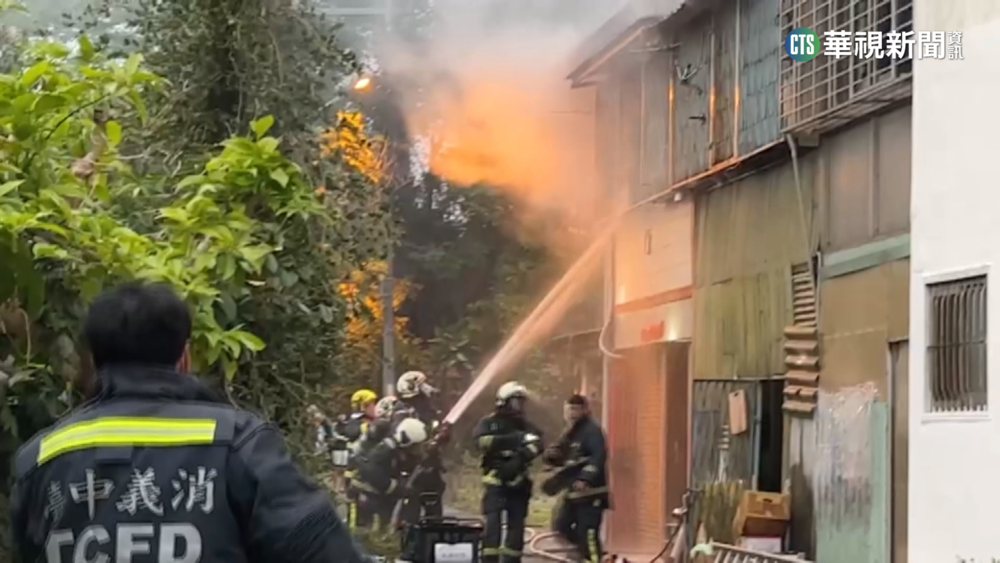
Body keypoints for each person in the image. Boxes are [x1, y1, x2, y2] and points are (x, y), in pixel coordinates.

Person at [8, 282, 368, 563]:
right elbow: (324, 551)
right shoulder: (237, 444)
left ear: (94, 360)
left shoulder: (39, 459)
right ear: (184, 356)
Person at [473, 382, 544, 563]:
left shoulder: (526, 425)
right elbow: (481, 442)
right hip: (495, 481)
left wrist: (519, 458)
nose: (519, 406)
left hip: (518, 482)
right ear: (503, 402)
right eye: (515, 401)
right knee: (493, 525)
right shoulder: (488, 423)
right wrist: (515, 439)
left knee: (516, 527)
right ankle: (489, 560)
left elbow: (538, 444)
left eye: (521, 402)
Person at [544, 394, 609, 563]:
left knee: (588, 534)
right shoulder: (571, 432)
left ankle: (594, 559)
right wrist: (551, 457)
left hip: (591, 493)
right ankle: (582, 553)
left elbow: (598, 457)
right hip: (572, 494)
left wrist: (585, 478)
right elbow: (561, 455)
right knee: (560, 527)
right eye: (567, 409)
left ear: (584, 410)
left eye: (574, 409)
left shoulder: (592, 430)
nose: (570, 413)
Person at [392, 370, 449, 524]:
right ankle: (409, 544)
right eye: (422, 384)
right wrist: (425, 446)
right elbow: (402, 437)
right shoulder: (401, 410)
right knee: (410, 516)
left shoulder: (429, 409)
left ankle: (434, 543)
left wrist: (444, 433)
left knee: (435, 516)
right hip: (411, 470)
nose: (427, 387)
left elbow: (440, 431)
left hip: (431, 469)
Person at [352, 417, 430, 529]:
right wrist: (397, 488)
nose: (418, 450)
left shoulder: (395, 449)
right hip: (370, 499)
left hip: (378, 498)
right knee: (372, 535)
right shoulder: (385, 450)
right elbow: (372, 473)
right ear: (407, 441)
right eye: (416, 446)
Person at [346, 395, 397, 530]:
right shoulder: (374, 427)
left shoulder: (373, 426)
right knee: (360, 524)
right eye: (371, 404)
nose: (374, 407)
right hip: (362, 480)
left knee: (365, 522)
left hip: (363, 478)